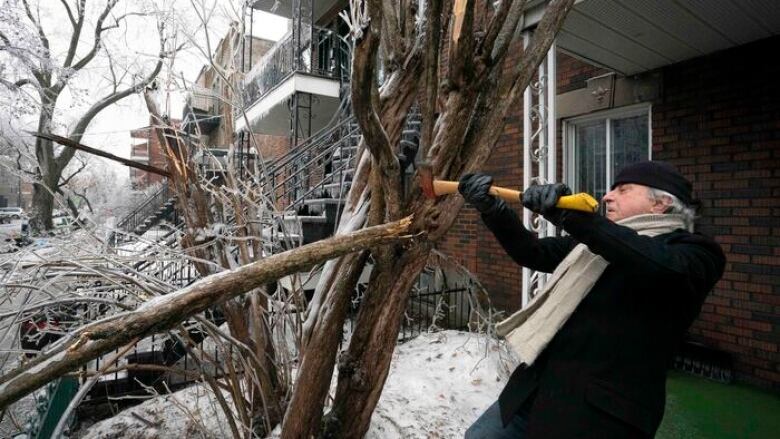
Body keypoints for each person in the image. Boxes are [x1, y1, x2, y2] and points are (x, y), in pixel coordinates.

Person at [461, 161, 725, 438]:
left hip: (597, 417)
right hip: (534, 392)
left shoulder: (695, 253)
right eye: (611, 190)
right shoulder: (592, 244)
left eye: (624, 190)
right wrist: (494, 211)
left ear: (660, 203)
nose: (608, 196)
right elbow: (533, 252)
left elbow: (654, 264)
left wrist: (572, 218)